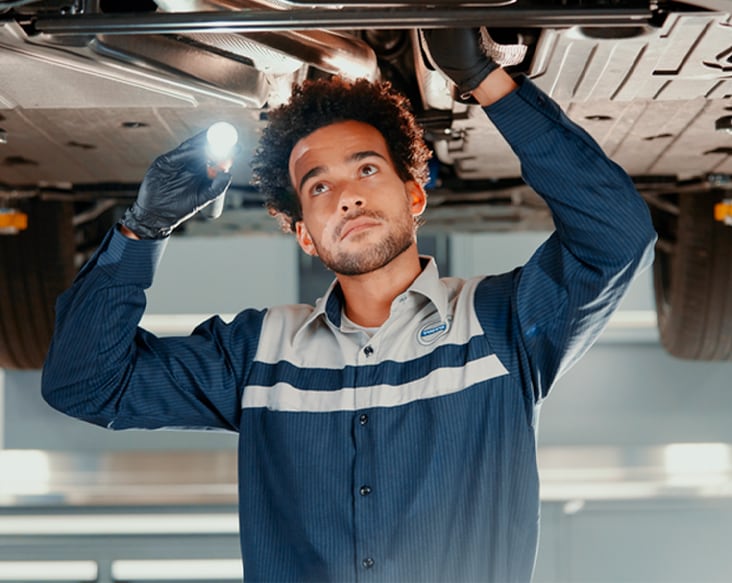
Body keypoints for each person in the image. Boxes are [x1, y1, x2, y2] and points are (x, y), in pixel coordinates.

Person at [42, 28, 656, 582]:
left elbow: (615, 235)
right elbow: (86, 385)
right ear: (305, 233)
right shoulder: (259, 356)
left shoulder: (500, 326)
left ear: (414, 194)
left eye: (367, 169)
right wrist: (142, 229)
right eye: (319, 186)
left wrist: (485, 80)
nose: (346, 197)